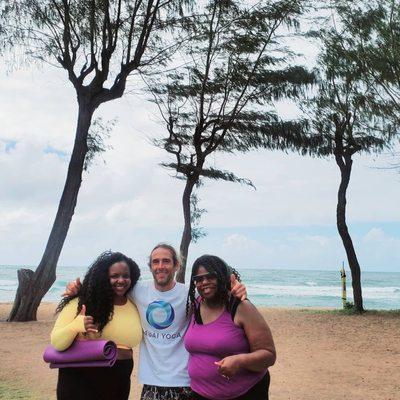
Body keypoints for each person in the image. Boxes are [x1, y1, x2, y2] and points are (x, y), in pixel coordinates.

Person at [65, 243, 247, 400]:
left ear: (176, 265)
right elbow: (108, 286)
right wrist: (78, 290)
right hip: (151, 381)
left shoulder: (191, 294)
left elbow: (218, 294)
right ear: (150, 266)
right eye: (155, 261)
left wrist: (237, 290)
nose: (161, 266)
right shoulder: (136, 290)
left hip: (186, 381)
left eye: (166, 261)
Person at [51, 251, 142, 400]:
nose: (121, 280)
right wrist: (76, 325)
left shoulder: (134, 303)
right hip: (80, 380)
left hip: (119, 380)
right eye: (114, 276)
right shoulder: (81, 303)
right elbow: (57, 342)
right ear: (103, 278)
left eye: (126, 276)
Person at [184, 255, 276, 400]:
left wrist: (240, 361)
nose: (205, 282)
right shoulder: (195, 304)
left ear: (222, 276)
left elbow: (269, 355)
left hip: (246, 393)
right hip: (199, 393)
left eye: (211, 277)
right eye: (199, 279)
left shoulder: (241, 307)